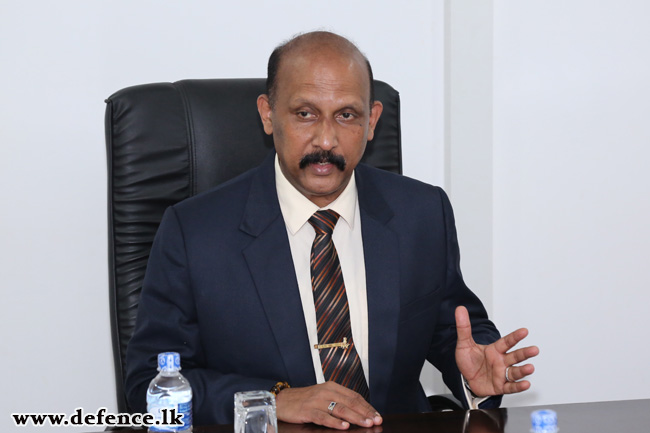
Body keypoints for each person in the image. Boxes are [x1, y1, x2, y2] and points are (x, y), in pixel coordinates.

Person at [125, 31, 539, 430]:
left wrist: (474, 375)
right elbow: (148, 386)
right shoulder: (195, 232)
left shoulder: (421, 213)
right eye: (305, 113)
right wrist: (274, 399)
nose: (326, 139)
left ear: (373, 120)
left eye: (346, 115)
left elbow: (455, 330)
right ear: (268, 114)